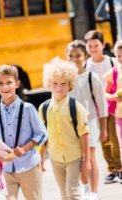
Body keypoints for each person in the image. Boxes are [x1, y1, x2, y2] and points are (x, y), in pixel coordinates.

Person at [0, 64, 47, 200]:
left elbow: (42, 133)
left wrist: (24, 148)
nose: (5, 87)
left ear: (17, 84)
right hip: (6, 169)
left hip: (29, 166)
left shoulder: (28, 108)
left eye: (9, 82)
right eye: (0, 83)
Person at [39, 57, 91, 200]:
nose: (59, 87)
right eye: (55, 83)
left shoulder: (76, 107)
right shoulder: (44, 108)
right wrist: (41, 159)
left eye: (63, 84)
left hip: (74, 157)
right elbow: (44, 136)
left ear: (70, 85)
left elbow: (85, 134)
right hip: (55, 158)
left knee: (72, 192)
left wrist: (86, 160)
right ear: (49, 84)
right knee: (63, 194)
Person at [67, 40, 108, 199]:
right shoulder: (66, 80)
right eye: (71, 55)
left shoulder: (92, 77)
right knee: (78, 159)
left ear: (85, 57)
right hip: (72, 126)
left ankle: (94, 192)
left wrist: (103, 129)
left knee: (89, 157)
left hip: (90, 124)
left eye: (78, 55)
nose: (74, 59)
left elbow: (102, 106)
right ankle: (85, 188)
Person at [84, 30, 122, 184]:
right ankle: (111, 168)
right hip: (95, 107)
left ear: (103, 45)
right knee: (103, 138)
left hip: (112, 106)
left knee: (114, 137)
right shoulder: (87, 65)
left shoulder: (112, 61)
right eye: (90, 46)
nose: (93, 49)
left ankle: (119, 167)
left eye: (96, 45)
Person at [104, 40, 122, 183]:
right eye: (118, 56)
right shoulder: (114, 72)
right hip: (119, 114)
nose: (121, 59)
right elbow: (104, 93)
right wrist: (113, 97)